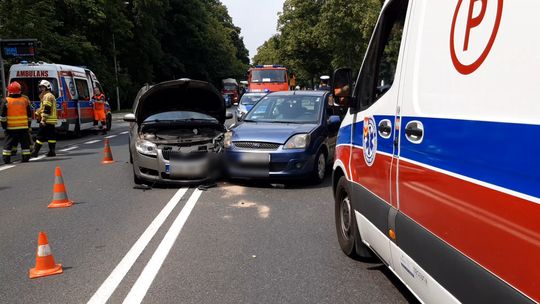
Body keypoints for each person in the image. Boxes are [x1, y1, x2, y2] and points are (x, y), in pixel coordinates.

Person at [0, 82, 32, 163]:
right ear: (20, 90)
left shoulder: (6, 101)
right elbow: (29, 115)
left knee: (8, 144)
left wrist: (4, 126)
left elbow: (2, 116)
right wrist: (28, 125)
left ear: (9, 91)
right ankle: (25, 158)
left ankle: (6, 159)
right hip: (23, 127)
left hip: (10, 127)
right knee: (25, 143)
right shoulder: (25, 100)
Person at [31, 80, 57, 158]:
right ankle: (52, 152)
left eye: (42, 87)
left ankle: (35, 152)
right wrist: (37, 112)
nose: (40, 89)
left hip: (47, 120)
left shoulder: (47, 96)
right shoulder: (48, 95)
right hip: (51, 120)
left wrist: (43, 119)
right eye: (40, 87)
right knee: (51, 136)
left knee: (40, 136)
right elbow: (43, 108)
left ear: (47, 87)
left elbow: (47, 109)